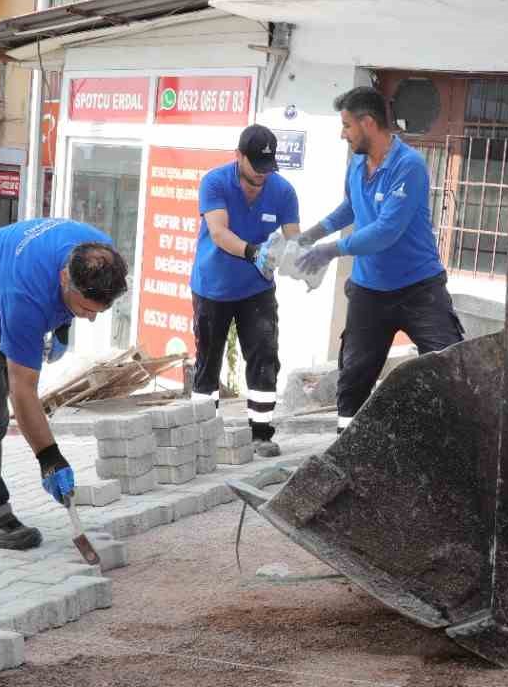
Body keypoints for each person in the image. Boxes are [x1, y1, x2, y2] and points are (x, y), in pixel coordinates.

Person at [0, 219, 129, 549]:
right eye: (85, 309)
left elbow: (70, 301)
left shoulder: (100, 253)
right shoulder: (26, 297)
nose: (92, 318)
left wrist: (64, 322)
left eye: (98, 311)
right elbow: (22, 392)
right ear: (65, 278)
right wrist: (49, 459)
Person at [296, 86, 465, 432]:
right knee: (355, 373)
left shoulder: (409, 166)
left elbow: (387, 232)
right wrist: (313, 233)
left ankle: (448, 442)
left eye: (346, 125)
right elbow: (350, 207)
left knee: (450, 365)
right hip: (369, 290)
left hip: (419, 289)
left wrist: (331, 250)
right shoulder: (357, 164)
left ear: (368, 123)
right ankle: (346, 443)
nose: (342, 134)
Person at [191, 124, 299, 457]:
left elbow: (293, 236)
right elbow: (219, 233)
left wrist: (300, 260)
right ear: (238, 157)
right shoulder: (215, 183)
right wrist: (254, 252)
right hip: (213, 286)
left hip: (257, 289)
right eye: (256, 167)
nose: (262, 177)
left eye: (268, 168)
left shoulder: (282, 191)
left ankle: (261, 434)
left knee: (264, 355)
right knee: (208, 360)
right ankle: (202, 434)